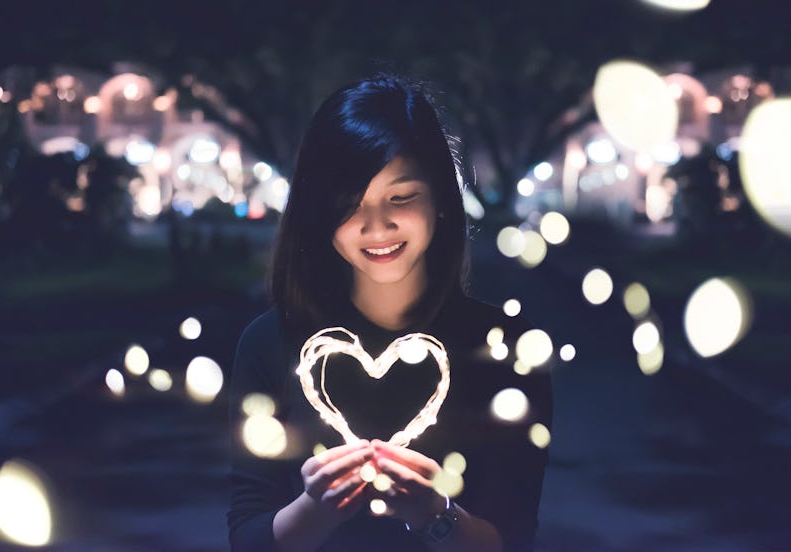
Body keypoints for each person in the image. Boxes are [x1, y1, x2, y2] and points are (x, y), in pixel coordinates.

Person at [228, 74, 552, 552]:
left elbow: (514, 538)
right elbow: (246, 539)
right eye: (348, 204)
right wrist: (316, 508)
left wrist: (434, 514)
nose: (376, 227)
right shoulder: (270, 344)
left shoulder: (505, 349)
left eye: (401, 198)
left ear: (441, 199)